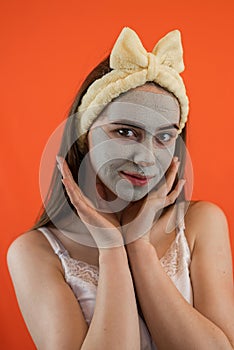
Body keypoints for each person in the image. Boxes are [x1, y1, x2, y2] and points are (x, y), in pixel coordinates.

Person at [7, 27, 234, 350]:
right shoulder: (35, 253)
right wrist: (113, 250)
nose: (146, 157)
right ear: (84, 136)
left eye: (165, 137)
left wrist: (139, 247)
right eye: (126, 132)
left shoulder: (200, 222)